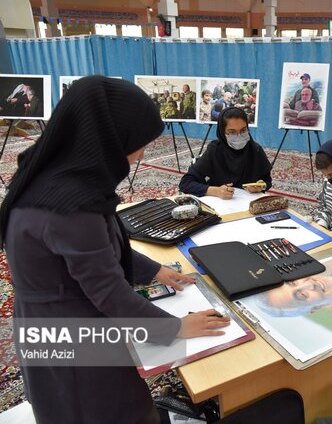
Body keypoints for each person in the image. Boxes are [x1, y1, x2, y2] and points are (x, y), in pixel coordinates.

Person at [0, 76, 230, 424]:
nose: (140, 155)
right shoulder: (72, 206)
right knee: (106, 411)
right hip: (73, 342)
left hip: (51, 323)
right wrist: (177, 328)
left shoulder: (56, 174)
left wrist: (154, 270)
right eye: (137, 143)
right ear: (106, 137)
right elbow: (107, 291)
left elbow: (100, 247)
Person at [179, 107, 272, 199]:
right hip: (219, 206)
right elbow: (186, 183)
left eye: (243, 130)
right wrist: (215, 191)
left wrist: (261, 186)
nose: (239, 136)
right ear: (222, 132)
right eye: (232, 132)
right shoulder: (215, 150)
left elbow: (267, 180)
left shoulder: (255, 150)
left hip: (248, 206)